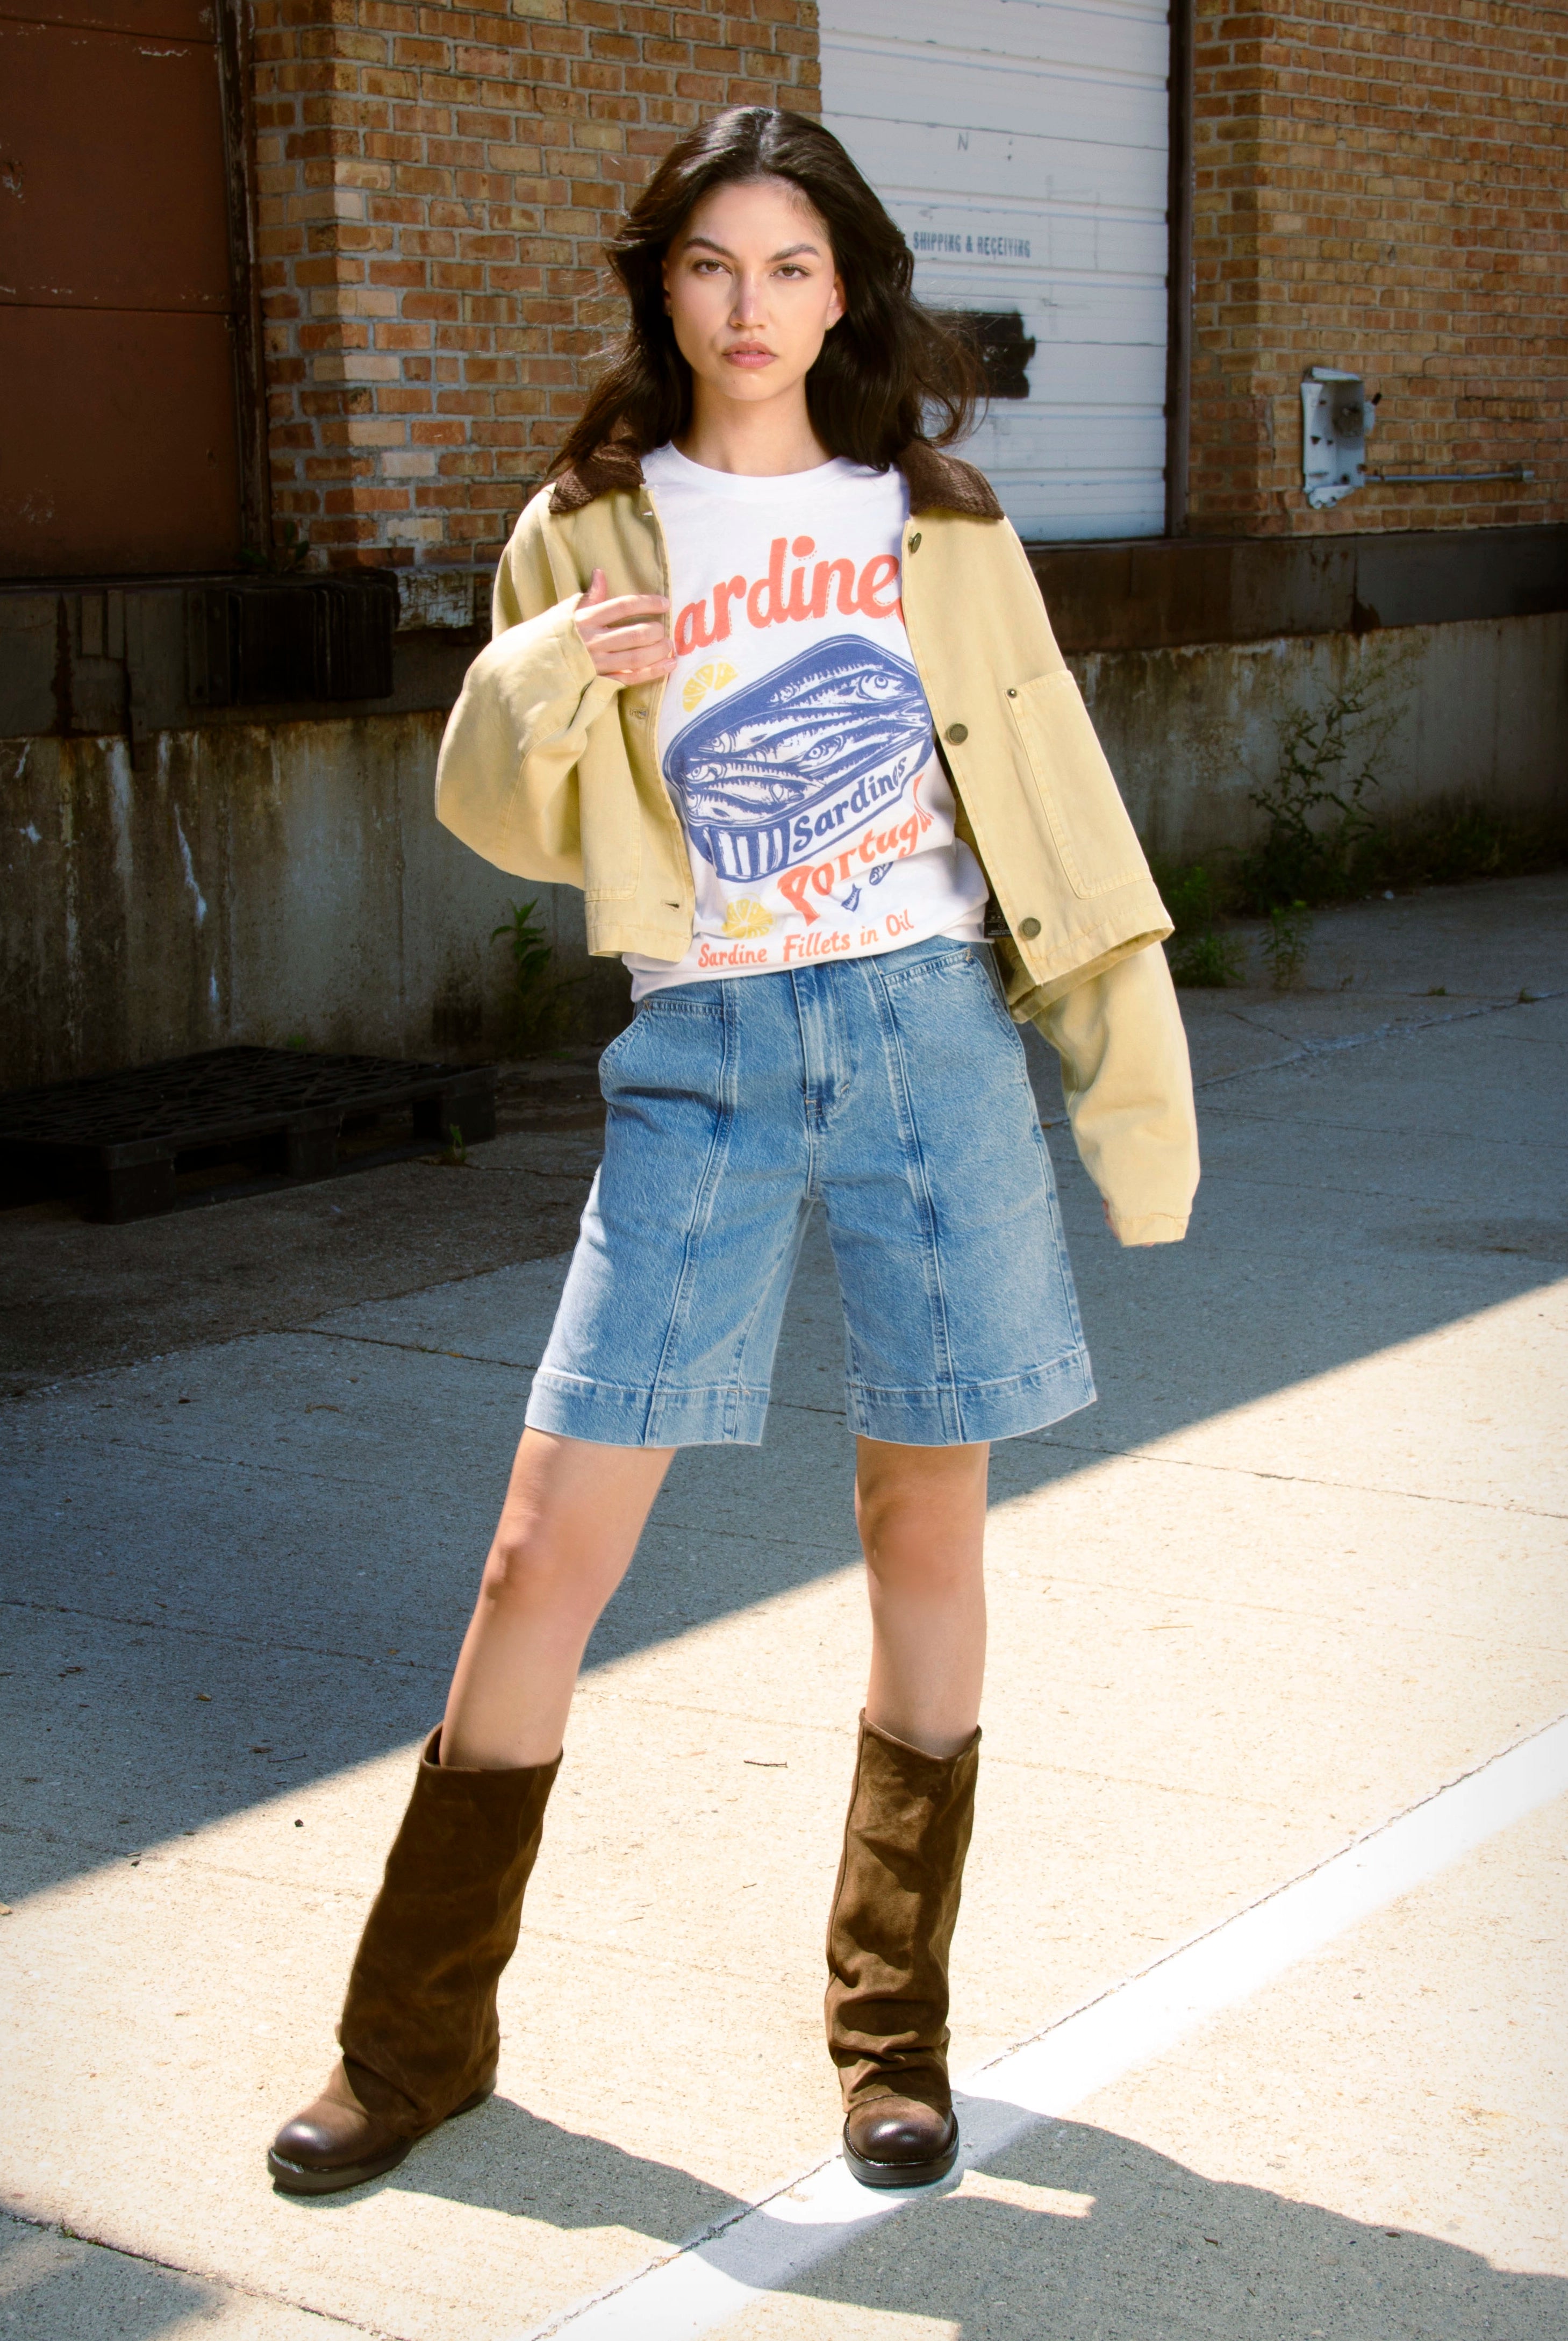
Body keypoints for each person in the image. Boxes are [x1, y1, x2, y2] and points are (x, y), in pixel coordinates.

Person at [267, 104, 1198, 2201]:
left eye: (789, 266)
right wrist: (536, 673)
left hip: (929, 1035)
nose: (749, 305)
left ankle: (892, 2034)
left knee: (924, 1530)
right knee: (542, 1546)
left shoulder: (937, 520)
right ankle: (412, 2042)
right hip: (703, 1044)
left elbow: (1055, 806)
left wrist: (1129, 1090)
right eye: (711, 265)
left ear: (845, 288)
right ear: (663, 288)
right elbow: (511, 818)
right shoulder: (588, 527)